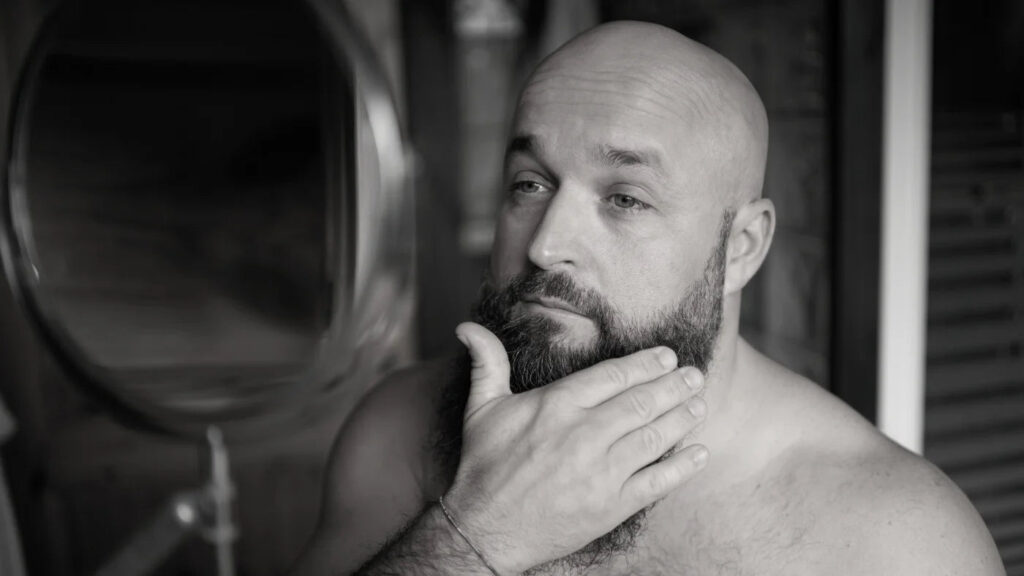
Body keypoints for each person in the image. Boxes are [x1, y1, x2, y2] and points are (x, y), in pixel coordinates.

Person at [292, 20, 1004, 576]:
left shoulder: (900, 541)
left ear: (742, 247)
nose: (545, 246)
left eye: (625, 198)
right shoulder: (396, 432)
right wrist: (474, 538)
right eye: (530, 183)